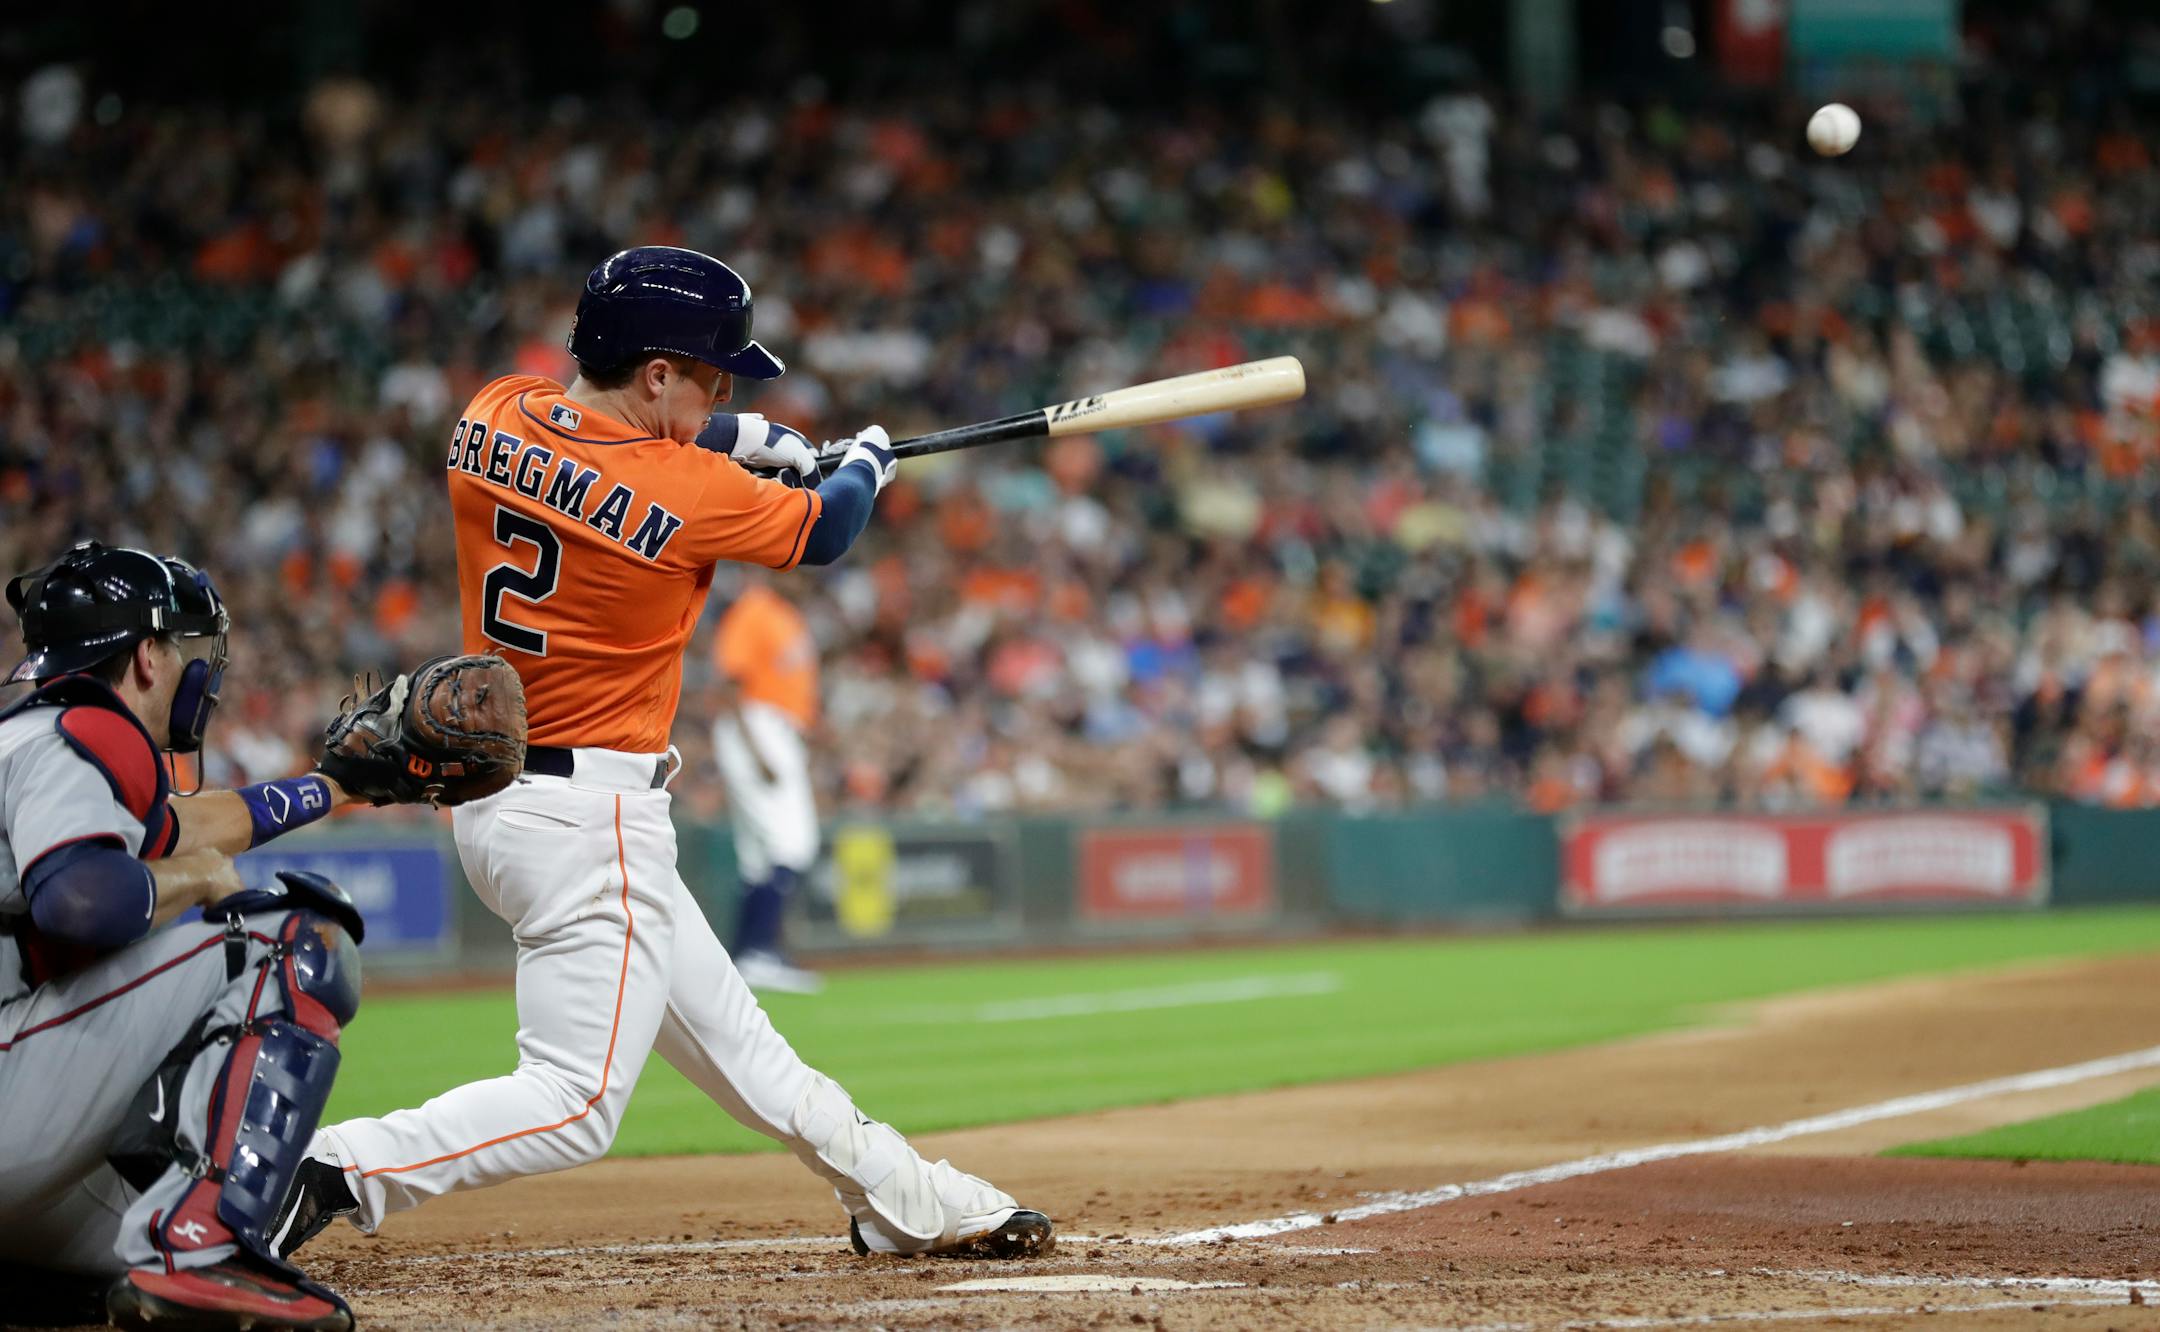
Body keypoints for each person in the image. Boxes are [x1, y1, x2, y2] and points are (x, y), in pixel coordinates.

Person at [278, 246, 1053, 1262]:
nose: (719, 392)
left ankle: (909, 1199)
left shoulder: (491, 413)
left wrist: (740, 435)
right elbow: (825, 532)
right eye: (709, 377)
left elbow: (609, 440)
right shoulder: (693, 490)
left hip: (499, 796)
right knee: (576, 1101)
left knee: (747, 1055)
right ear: (654, 373)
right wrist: (863, 459)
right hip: (589, 819)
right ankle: (316, 1172)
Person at [0, 542, 373, 1331]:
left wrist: (337, 785)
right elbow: (81, 901)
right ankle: (201, 1247)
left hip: (19, 1121)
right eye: (185, 647)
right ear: (145, 655)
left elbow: (182, 828)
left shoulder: (36, 737)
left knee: (129, 1250)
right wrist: (204, 881)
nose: (198, 668)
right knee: (291, 939)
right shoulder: (81, 733)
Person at [707, 563, 824, 993]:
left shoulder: (786, 614)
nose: (801, 576)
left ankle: (745, 955)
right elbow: (730, 683)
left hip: (779, 730)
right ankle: (758, 952)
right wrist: (757, 750)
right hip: (756, 727)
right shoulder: (754, 608)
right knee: (792, 843)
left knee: (759, 855)